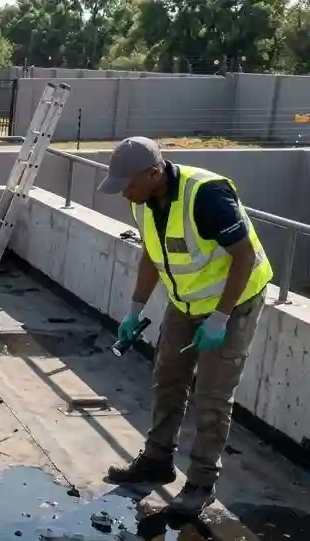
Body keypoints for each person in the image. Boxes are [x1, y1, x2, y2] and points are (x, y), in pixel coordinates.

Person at [97, 137, 272, 514]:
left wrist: (220, 319)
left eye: (128, 184)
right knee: (168, 378)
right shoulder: (142, 201)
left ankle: (202, 483)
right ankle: (157, 461)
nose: (125, 193)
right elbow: (151, 255)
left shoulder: (207, 195)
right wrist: (135, 309)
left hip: (235, 301)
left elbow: (244, 257)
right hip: (185, 302)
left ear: (153, 173)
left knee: (212, 394)